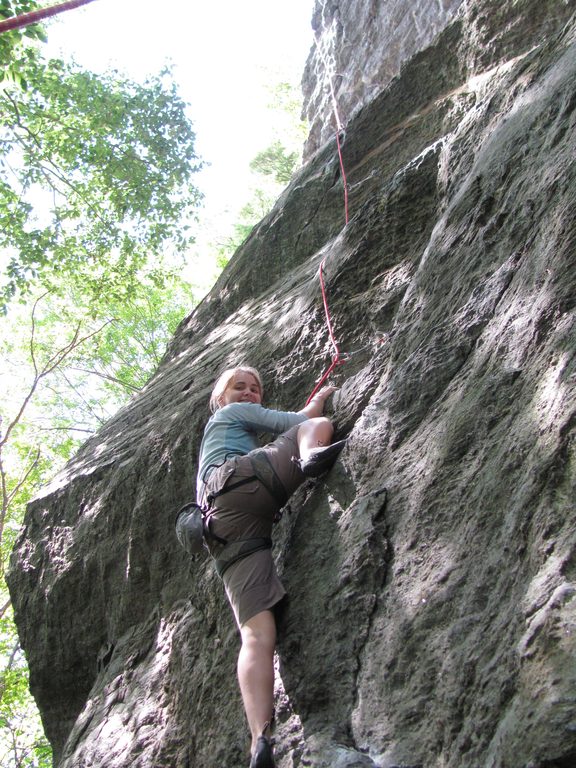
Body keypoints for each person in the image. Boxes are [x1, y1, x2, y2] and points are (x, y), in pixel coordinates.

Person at [195, 365, 345, 768]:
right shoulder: (226, 416)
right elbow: (299, 423)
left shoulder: (217, 441)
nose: (248, 393)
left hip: (222, 530)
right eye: (238, 387)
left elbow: (286, 428)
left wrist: (307, 412)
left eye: (255, 389)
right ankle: (314, 457)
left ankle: (259, 737)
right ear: (220, 398)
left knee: (257, 635)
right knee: (318, 427)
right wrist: (316, 410)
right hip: (244, 483)